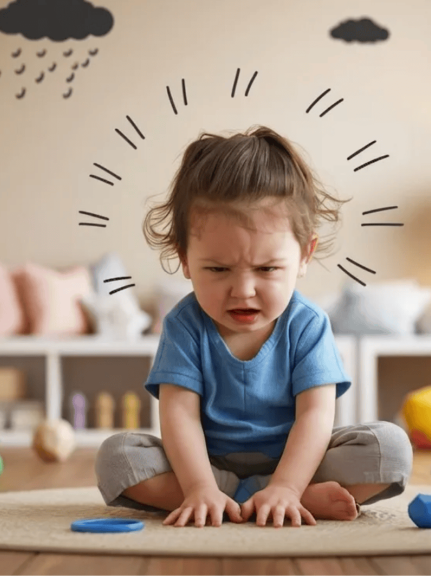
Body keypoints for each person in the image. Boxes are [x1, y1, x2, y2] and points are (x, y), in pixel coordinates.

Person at [95, 125, 412, 528]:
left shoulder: (308, 324)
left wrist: (288, 485)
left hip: (299, 464)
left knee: (390, 448)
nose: (243, 291)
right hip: (204, 468)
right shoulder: (184, 325)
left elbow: (315, 415)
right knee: (117, 457)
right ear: (185, 258)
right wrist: (197, 486)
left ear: (304, 255)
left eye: (266, 269)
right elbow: (180, 415)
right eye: (218, 269)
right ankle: (233, 499)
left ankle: (278, 498)